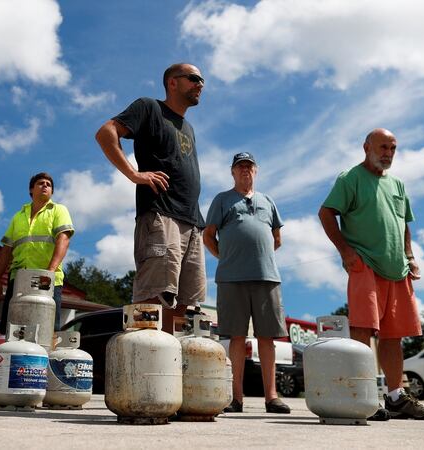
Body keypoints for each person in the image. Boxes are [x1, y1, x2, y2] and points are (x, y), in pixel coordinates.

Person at [318, 128, 424, 421]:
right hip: (366, 265)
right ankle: (365, 399)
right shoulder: (350, 178)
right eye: (383, 147)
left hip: (397, 269)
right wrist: (346, 252)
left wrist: (410, 256)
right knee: (363, 329)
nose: (387, 153)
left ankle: (396, 398)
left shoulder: (398, 184)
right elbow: (326, 213)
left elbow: (404, 224)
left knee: (394, 335)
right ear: (367, 147)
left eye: (392, 148)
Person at [95, 63, 206, 333]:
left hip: (192, 223)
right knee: (153, 297)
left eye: (202, 80)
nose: (200, 84)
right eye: (193, 78)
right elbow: (106, 133)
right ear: (173, 83)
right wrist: (134, 174)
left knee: (185, 307)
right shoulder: (149, 107)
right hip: (160, 215)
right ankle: (142, 367)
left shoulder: (188, 128)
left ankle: (166, 368)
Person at [203, 152, 290, 414]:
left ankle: (271, 397)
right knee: (236, 337)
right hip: (231, 278)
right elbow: (208, 236)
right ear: (232, 172)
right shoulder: (222, 199)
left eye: (249, 166)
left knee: (267, 337)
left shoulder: (268, 201)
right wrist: (227, 256)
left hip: (267, 277)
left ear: (256, 170)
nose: (245, 170)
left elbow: (277, 238)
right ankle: (236, 398)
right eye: (240, 167)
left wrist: (258, 256)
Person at [0, 172, 74, 334]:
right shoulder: (18, 216)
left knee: (45, 328)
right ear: (31, 190)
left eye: (48, 184)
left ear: (51, 192)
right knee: (12, 327)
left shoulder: (58, 210)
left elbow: (63, 239)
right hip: (18, 278)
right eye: (40, 183)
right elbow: (7, 249)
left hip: (47, 278)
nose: (45, 185)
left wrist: (49, 273)